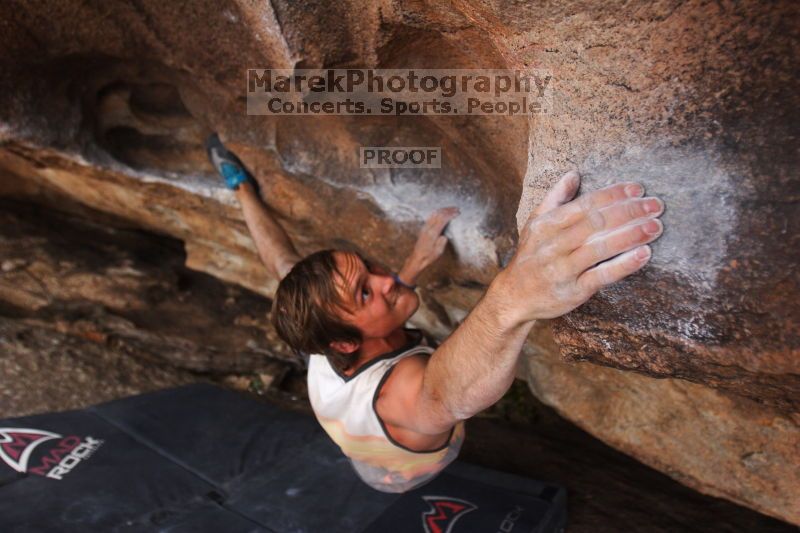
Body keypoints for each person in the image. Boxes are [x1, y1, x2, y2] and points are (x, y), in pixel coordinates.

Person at [207, 134, 665, 492]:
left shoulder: (321, 333)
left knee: (287, 271)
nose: (386, 279)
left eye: (369, 269)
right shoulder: (396, 398)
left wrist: (243, 189)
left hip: (350, 421)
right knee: (388, 468)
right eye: (366, 292)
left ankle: (236, 185)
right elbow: (444, 396)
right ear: (344, 344)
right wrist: (515, 295)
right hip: (397, 472)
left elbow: (280, 260)